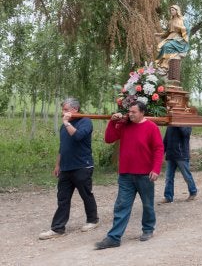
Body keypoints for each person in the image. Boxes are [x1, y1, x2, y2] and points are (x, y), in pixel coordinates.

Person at [95, 101, 164, 249]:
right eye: (129, 111)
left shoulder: (151, 127)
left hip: (145, 174)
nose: (130, 114)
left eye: (134, 112)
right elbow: (109, 139)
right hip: (126, 174)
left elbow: (158, 149)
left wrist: (156, 169)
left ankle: (148, 229)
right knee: (121, 205)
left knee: (147, 204)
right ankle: (114, 237)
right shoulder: (124, 125)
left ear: (142, 113)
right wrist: (112, 123)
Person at [39, 98, 99, 240]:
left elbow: (78, 136)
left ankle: (92, 220)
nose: (63, 112)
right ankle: (58, 228)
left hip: (82, 166)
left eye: (66, 110)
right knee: (63, 198)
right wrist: (58, 165)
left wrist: (66, 123)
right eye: (63, 110)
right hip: (66, 167)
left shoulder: (85, 121)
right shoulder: (63, 127)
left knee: (86, 194)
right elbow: (63, 147)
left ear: (75, 109)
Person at [159, 126, 198, 203]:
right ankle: (168, 197)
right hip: (171, 155)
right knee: (168, 177)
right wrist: (161, 154)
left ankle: (193, 192)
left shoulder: (186, 124)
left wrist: (179, 124)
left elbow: (186, 134)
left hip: (182, 155)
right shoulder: (170, 125)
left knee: (187, 176)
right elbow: (166, 140)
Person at [155, 4, 189, 72]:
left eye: (173, 10)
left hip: (179, 39)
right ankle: (161, 63)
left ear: (177, 11)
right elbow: (167, 32)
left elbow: (187, 30)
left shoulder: (182, 19)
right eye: (171, 10)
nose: (171, 12)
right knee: (161, 46)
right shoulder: (170, 21)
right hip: (171, 37)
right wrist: (158, 34)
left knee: (167, 46)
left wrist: (179, 27)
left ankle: (165, 64)